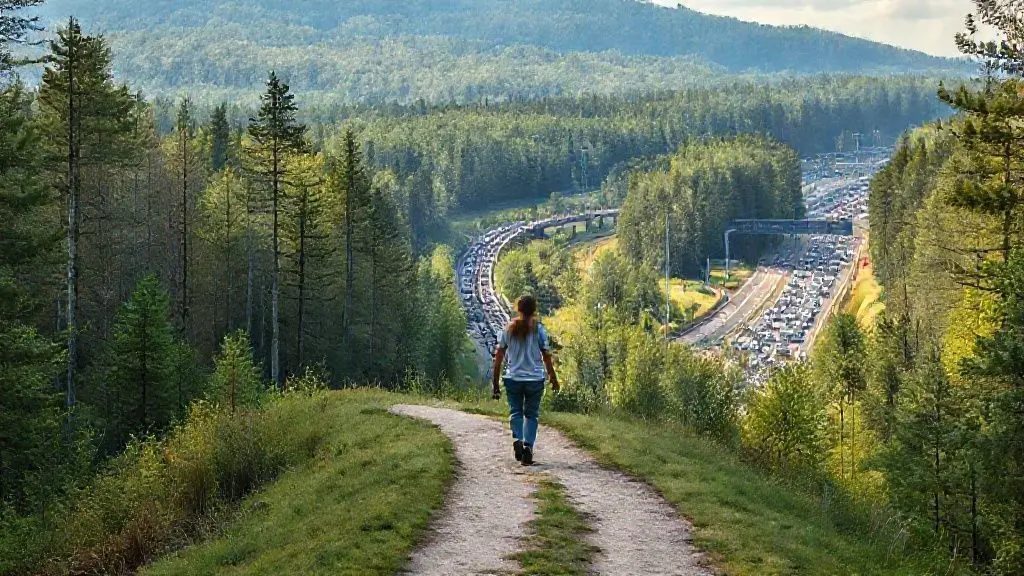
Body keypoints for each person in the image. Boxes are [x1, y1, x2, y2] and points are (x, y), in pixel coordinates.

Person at [491, 295, 559, 466]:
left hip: (513, 378)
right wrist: (553, 377)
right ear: (534, 309)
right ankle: (528, 446)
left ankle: (517, 439)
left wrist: (495, 383)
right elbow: (547, 356)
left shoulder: (508, 329)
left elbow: (498, 357)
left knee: (515, 411)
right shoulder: (539, 330)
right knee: (531, 414)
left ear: (518, 309)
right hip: (535, 379)